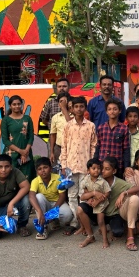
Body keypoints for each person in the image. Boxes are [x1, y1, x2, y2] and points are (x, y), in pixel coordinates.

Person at [76, 157, 139, 245]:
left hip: (112, 214)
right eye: (102, 168)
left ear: (114, 171)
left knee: (118, 232)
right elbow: (84, 194)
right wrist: (90, 197)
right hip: (97, 210)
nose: (102, 171)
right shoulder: (95, 178)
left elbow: (136, 188)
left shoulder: (119, 183)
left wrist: (124, 193)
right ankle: (90, 236)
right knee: (80, 208)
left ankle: (108, 229)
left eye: (107, 169)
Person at [60, 96, 98, 234]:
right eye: (76, 107)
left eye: (81, 106)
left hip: (85, 166)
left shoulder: (90, 126)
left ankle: (84, 221)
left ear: (85, 108)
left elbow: (93, 146)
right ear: (71, 109)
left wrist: (91, 166)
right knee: (71, 195)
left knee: (83, 194)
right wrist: (63, 165)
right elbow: (64, 146)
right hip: (70, 166)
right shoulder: (68, 126)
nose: (79, 109)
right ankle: (75, 221)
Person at [0, 154, 31, 240]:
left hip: (13, 205)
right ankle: (2, 223)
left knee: (27, 198)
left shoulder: (15, 172)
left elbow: (26, 186)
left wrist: (11, 203)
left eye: (6, 166)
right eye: (0, 167)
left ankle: (22, 225)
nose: (3, 170)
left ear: (11, 167)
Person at [29, 157, 74, 240]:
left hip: (57, 203)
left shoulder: (57, 178)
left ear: (50, 168)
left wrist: (53, 212)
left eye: (45, 167)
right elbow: (31, 196)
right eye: (40, 169)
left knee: (68, 215)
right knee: (38, 197)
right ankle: (44, 227)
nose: (43, 171)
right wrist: (39, 211)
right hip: (43, 204)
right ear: (37, 172)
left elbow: (62, 196)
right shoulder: (35, 181)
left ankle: (54, 222)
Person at [0, 95, 36, 182]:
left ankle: (27, 196)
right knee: (11, 178)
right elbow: (5, 140)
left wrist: (25, 152)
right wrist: (20, 151)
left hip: (26, 154)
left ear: (22, 105)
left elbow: (31, 137)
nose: (17, 106)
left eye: (19, 104)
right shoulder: (6, 120)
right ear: (10, 106)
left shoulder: (27, 118)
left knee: (27, 178)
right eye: (14, 104)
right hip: (11, 154)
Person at [76, 159, 111, 248]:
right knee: (79, 210)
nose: (96, 170)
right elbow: (84, 192)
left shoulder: (103, 181)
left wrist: (98, 201)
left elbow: (107, 193)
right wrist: (90, 198)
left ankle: (105, 240)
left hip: (101, 204)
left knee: (100, 221)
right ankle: (90, 236)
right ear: (88, 170)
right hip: (91, 202)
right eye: (94, 168)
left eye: (98, 168)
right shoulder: (86, 180)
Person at [96, 99, 130, 174]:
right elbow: (98, 146)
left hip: (117, 165)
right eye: (109, 109)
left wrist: (126, 166)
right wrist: (95, 162)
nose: (112, 111)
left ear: (120, 111)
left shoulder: (124, 128)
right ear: (106, 112)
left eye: (115, 109)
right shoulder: (101, 128)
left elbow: (126, 149)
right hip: (103, 164)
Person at [49, 91, 72, 165]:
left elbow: (70, 124)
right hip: (59, 148)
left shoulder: (75, 115)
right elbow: (53, 135)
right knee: (58, 169)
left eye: (65, 101)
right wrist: (52, 152)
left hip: (72, 148)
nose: (63, 103)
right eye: (61, 102)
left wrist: (64, 108)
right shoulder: (55, 117)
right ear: (58, 104)